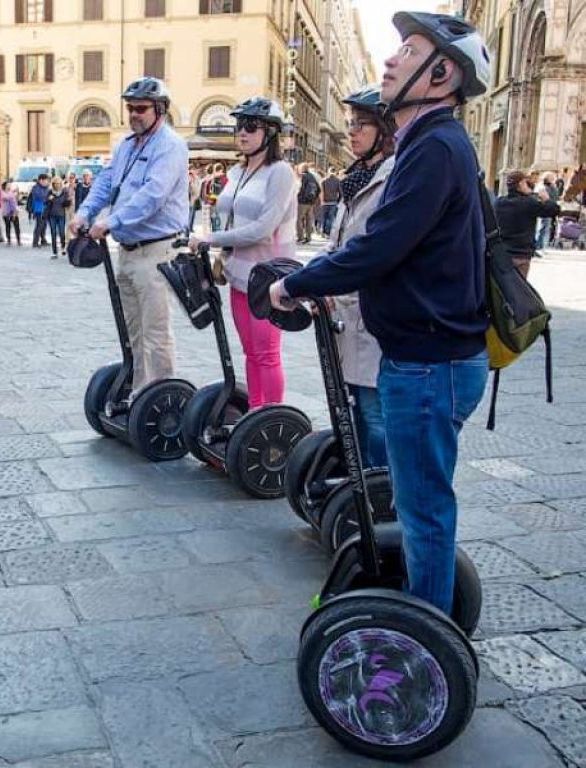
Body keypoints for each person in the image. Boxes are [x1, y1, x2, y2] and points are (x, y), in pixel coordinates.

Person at [269, 11, 492, 615]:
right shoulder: (432, 144)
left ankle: (426, 633)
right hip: (423, 358)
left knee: (423, 509)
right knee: (420, 504)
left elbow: (381, 245)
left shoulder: (436, 146)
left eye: (409, 50)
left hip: (428, 363)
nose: (391, 60)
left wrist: (296, 285)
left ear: (442, 72)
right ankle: (426, 611)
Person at [70, 76, 189, 391]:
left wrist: (111, 222)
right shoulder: (124, 145)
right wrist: (84, 213)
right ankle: (139, 392)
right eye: (130, 108)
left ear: (159, 110)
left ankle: (163, 399)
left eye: (141, 108)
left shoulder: (171, 146)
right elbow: (106, 181)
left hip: (158, 252)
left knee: (156, 333)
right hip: (127, 252)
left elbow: (153, 195)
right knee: (133, 330)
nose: (134, 113)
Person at [187, 97, 296, 408]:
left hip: (269, 277)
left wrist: (212, 239)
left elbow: (264, 227)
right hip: (238, 274)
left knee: (266, 352)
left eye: (251, 126)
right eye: (239, 126)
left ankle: (272, 420)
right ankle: (254, 414)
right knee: (250, 351)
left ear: (271, 133)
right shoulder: (237, 171)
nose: (242, 133)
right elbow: (225, 211)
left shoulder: (280, 172)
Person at [326, 85, 398, 468]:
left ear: (384, 131)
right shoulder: (354, 180)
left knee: (373, 413)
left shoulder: (391, 180)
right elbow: (338, 244)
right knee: (351, 405)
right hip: (345, 315)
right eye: (351, 123)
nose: (352, 131)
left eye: (362, 125)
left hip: (372, 314)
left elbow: (368, 250)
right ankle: (360, 486)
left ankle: (381, 490)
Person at [496, 170, 561, 278]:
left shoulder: (499, 203)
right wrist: (546, 199)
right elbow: (554, 210)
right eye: (526, 183)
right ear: (521, 184)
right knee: (519, 289)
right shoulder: (529, 203)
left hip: (502, 253)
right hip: (521, 254)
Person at [296, 162, 321, 243]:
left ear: (302, 169)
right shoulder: (312, 177)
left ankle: (300, 237)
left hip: (302, 201)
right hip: (311, 202)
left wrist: (299, 196)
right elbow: (318, 188)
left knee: (298, 219)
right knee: (309, 220)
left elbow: (300, 188)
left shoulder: (303, 176)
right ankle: (308, 237)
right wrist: (315, 198)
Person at [46, 176, 69, 259]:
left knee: (62, 233)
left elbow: (67, 203)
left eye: (59, 183)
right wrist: (48, 199)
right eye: (55, 183)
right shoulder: (50, 192)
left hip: (61, 215)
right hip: (52, 215)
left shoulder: (64, 192)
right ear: (53, 184)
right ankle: (54, 252)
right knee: (53, 233)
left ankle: (63, 247)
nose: (57, 185)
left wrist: (68, 201)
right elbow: (46, 202)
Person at [534, 172, 560, 249]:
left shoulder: (552, 187)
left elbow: (555, 196)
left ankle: (542, 245)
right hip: (543, 208)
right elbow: (542, 196)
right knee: (542, 227)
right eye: (552, 177)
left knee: (546, 227)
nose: (553, 179)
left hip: (549, 208)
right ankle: (538, 245)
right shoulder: (542, 186)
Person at [27, 173, 50, 247]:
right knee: (39, 226)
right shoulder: (36, 188)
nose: (47, 182)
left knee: (44, 225)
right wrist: (48, 197)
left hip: (45, 209)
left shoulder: (46, 187)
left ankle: (43, 240)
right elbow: (40, 197)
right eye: (46, 180)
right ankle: (35, 242)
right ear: (41, 180)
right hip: (39, 209)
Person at [320, 169, 342, 237]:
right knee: (330, 218)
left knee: (323, 217)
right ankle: (327, 233)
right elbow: (340, 192)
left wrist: (322, 200)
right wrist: (338, 201)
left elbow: (321, 191)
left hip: (324, 201)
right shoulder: (338, 181)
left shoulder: (323, 180)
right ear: (335, 172)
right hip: (333, 202)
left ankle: (322, 231)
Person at [1, 181, 21, 245]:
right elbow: (6, 198)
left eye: (10, 185)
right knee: (8, 226)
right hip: (6, 212)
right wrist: (13, 195)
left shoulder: (11, 193)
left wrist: (16, 210)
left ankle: (18, 240)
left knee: (17, 227)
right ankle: (9, 240)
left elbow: (15, 201)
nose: (9, 186)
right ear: (5, 186)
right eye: (8, 185)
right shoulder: (2, 192)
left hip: (14, 212)